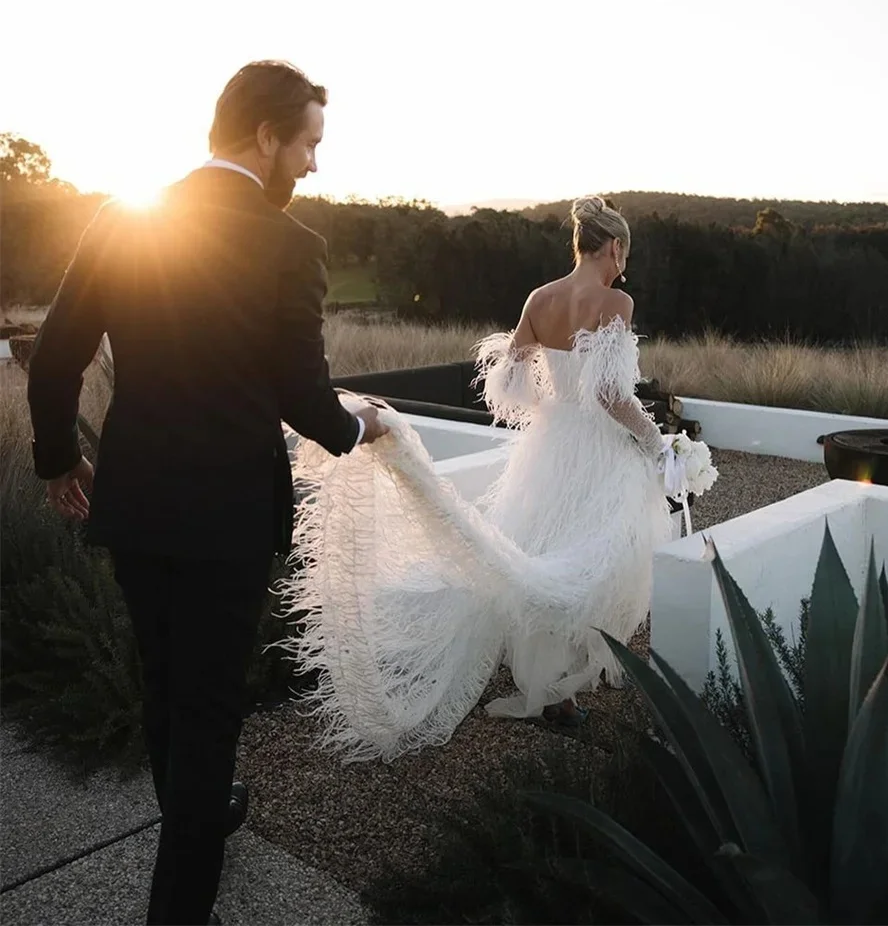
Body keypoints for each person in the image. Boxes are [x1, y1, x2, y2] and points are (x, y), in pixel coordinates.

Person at [27, 60, 387, 926]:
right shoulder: (290, 246)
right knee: (211, 708)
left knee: (165, 687)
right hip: (225, 523)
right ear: (265, 135)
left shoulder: (124, 218)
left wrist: (54, 462)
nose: (311, 164)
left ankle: (202, 807)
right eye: (307, 143)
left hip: (139, 506)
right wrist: (366, 423)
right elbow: (307, 402)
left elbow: (52, 359)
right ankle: (181, 899)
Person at [278, 196, 678, 762]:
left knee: (541, 551)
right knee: (596, 560)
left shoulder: (541, 299)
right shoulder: (616, 300)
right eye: (623, 254)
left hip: (550, 445)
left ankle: (548, 690)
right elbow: (613, 396)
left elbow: (509, 380)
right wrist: (657, 441)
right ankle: (559, 685)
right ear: (614, 246)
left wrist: (553, 406)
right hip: (596, 449)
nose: (622, 265)